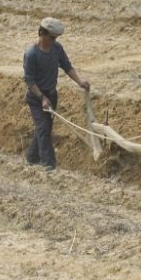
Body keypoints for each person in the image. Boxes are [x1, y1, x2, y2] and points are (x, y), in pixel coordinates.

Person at [23, 17, 90, 171]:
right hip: (36, 97)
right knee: (43, 128)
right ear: (42, 33)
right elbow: (29, 80)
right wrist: (42, 98)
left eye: (56, 38)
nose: (54, 41)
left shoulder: (57, 49)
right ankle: (49, 165)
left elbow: (67, 66)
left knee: (44, 128)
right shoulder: (31, 54)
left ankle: (31, 157)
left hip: (51, 95)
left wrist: (80, 82)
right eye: (52, 37)